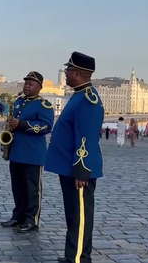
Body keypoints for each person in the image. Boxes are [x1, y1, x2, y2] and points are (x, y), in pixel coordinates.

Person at [45, 52, 104, 263]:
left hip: (78, 169)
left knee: (79, 217)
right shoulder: (79, 95)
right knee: (73, 215)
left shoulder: (88, 99)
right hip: (68, 167)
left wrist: (81, 169)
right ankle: (73, 254)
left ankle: (78, 258)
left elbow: (85, 137)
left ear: (77, 73)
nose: (66, 74)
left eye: (68, 70)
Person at [0, 71, 54, 233]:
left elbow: (46, 126)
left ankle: (32, 219)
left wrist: (21, 124)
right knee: (17, 187)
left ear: (39, 87)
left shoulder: (44, 105)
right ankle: (18, 216)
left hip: (33, 154)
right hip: (16, 152)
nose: (27, 86)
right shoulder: (18, 102)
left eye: (30, 84)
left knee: (32, 189)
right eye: (25, 83)